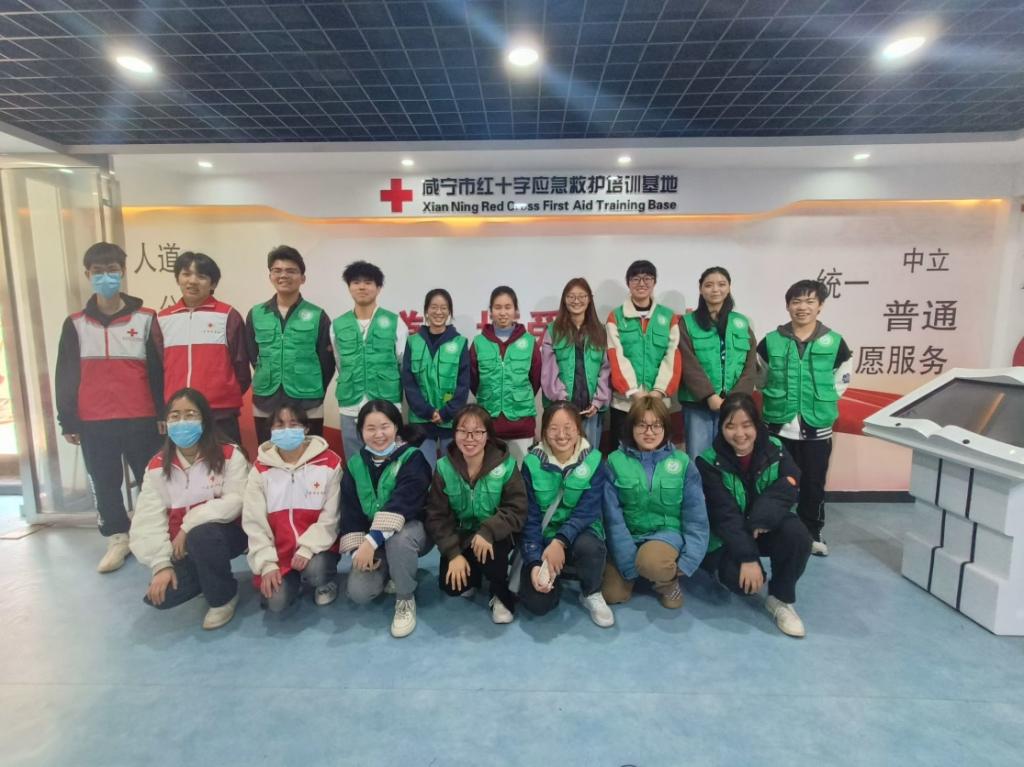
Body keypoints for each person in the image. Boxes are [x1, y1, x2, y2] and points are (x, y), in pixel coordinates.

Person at [55, 241, 163, 574]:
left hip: (141, 417)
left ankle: (154, 534)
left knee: (151, 480)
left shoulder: (145, 318)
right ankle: (118, 537)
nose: (106, 277)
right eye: (98, 272)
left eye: (112, 270)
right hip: (94, 420)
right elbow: (66, 374)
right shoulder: (75, 324)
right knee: (104, 481)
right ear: (87, 274)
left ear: (123, 272)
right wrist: (68, 419)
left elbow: (159, 370)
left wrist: (163, 413)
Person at [128, 388, 249, 629]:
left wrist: (187, 525)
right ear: (166, 423)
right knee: (162, 597)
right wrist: (161, 564)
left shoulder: (229, 455)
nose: (182, 422)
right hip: (181, 549)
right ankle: (206, 576)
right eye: (175, 416)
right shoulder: (156, 467)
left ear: (204, 420)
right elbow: (147, 520)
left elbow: (237, 501)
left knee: (202, 535)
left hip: (227, 536)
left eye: (190, 414)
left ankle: (223, 597)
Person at [697, 393, 811, 637]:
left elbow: (789, 484)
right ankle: (722, 570)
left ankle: (780, 599)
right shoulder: (708, 462)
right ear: (721, 428)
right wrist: (748, 558)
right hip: (730, 538)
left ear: (756, 424)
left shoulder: (776, 448)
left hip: (765, 527)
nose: (740, 434)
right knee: (742, 583)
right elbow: (724, 515)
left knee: (798, 536)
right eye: (731, 426)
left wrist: (761, 517)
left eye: (746, 425)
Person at [757, 279, 852, 557]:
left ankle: (811, 532)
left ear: (820, 306)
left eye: (810, 301)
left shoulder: (835, 342)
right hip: (778, 425)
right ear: (788, 306)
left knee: (813, 483)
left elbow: (842, 380)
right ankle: (773, 529)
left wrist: (820, 401)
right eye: (796, 301)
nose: (802, 307)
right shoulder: (771, 341)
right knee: (774, 481)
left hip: (816, 426)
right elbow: (760, 377)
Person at [602, 396, 709, 609]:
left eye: (656, 425)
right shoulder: (614, 461)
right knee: (611, 595)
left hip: (666, 536)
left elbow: (696, 516)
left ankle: (667, 583)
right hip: (629, 537)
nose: (649, 432)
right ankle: (642, 569)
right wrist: (627, 561)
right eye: (642, 425)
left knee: (651, 562)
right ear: (631, 427)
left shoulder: (682, 462)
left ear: (665, 427)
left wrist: (690, 559)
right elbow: (612, 519)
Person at [425, 404, 527, 624]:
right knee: (452, 586)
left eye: (478, 432)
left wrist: (488, 530)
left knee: (493, 559)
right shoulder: (443, 467)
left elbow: (517, 508)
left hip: (494, 536)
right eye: (463, 431)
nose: (469, 438)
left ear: (488, 435)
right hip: (461, 536)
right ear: (454, 434)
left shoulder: (506, 465)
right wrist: (453, 553)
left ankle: (499, 594)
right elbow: (436, 515)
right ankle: (473, 572)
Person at [339, 400, 432, 638]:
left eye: (385, 426)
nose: (378, 434)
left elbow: (403, 503)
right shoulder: (355, 464)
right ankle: (392, 569)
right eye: (370, 428)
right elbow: (350, 512)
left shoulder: (412, 458)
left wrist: (371, 542)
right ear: (360, 432)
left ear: (396, 427)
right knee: (359, 592)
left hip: (413, 530)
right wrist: (358, 551)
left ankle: (405, 598)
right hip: (373, 539)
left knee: (399, 540)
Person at [518, 402, 614, 628]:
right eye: (553, 428)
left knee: (590, 548)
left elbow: (587, 511)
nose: (561, 435)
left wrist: (560, 541)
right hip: (544, 538)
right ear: (544, 431)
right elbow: (530, 518)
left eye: (568, 428)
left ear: (579, 429)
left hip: (580, 533)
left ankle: (591, 592)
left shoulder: (595, 461)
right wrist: (534, 561)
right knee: (537, 604)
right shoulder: (531, 463)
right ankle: (554, 579)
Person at [242, 401, 342, 612]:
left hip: (317, 549)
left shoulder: (330, 463)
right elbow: (254, 522)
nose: (286, 430)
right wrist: (267, 563)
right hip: (279, 554)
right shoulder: (259, 470)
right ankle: (291, 582)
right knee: (276, 604)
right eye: (279, 425)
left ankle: (324, 582)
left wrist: (307, 548)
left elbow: (331, 517)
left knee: (316, 572)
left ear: (306, 429)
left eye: (293, 424)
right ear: (271, 430)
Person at [154, 251, 251, 444]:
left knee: (227, 461)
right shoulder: (162, 319)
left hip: (220, 413)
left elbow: (241, 367)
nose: (192, 281)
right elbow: (158, 367)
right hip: (178, 415)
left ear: (213, 284)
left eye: (201, 276)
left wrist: (223, 393)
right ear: (178, 278)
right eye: (186, 274)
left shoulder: (228, 315)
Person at [245, 245, 335, 446]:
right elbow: (253, 354)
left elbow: (327, 362)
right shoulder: (256, 314)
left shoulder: (318, 315)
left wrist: (312, 386)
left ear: (303, 278)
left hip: (307, 401)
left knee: (311, 455)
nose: (283, 275)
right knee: (269, 454)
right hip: (266, 400)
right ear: (270, 276)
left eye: (291, 271)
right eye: (277, 270)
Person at [677, 266, 758, 460]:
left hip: (735, 405)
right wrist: (709, 396)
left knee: (732, 458)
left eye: (722, 284)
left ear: (729, 288)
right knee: (699, 458)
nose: (715, 290)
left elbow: (750, 365)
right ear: (700, 289)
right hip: (698, 405)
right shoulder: (687, 322)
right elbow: (687, 362)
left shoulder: (741, 322)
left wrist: (735, 399)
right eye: (709, 285)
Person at [332, 260, 408, 462]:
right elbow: (339, 362)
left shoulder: (394, 322)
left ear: (378, 287)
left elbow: (402, 362)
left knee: (390, 461)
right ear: (349, 287)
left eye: (368, 282)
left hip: (387, 402)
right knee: (355, 460)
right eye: (356, 282)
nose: (362, 287)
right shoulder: (338, 324)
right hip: (351, 403)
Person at [606, 259, 682, 445]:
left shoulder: (668, 317)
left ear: (654, 282)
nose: (641, 283)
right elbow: (615, 356)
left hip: (659, 404)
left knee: (657, 453)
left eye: (647, 278)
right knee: (623, 454)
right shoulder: (616, 317)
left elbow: (672, 356)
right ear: (628, 283)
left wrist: (658, 393)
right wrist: (634, 392)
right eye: (636, 279)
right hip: (625, 404)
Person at [401, 288, 470, 469]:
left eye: (444, 308)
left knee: (452, 472)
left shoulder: (460, 342)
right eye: (434, 307)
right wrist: (428, 411)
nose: (438, 312)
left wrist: (446, 412)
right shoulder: (413, 341)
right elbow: (409, 382)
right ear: (426, 310)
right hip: (421, 420)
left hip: (450, 419)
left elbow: (463, 384)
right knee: (424, 471)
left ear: (449, 312)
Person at [470, 286, 541, 462]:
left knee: (521, 473)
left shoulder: (529, 342)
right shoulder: (479, 342)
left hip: (521, 424)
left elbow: (536, 379)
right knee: (490, 473)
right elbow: (473, 381)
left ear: (516, 310)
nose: (503, 313)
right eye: (498, 307)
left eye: (508, 307)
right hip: (488, 424)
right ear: (491, 311)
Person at [541, 277, 611, 451]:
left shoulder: (600, 331)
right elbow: (548, 370)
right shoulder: (553, 330)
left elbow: (606, 369)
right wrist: (562, 400)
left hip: (591, 411)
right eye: (571, 296)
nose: (576, 301)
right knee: (561, 455)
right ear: (564, 300)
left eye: (582, 296)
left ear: (589, 299)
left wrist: (598, 402)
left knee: (589, 457)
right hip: (561, 409)